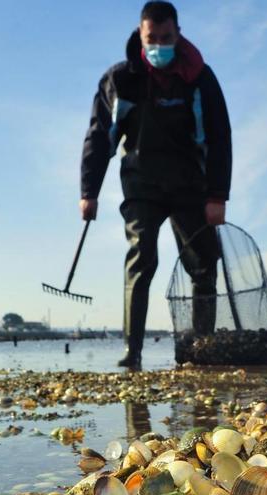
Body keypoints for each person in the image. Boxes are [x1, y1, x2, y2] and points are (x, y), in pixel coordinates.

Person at [80, 1, 232, 368]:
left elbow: (220, 136)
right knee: (141, 259)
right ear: (140, 33)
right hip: (140, 185)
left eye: (166, 38)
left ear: (177, 34)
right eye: (152, 38)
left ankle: (201, 350)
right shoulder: (120, 79)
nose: (159, 45)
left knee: (202, 266)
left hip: (190, 186)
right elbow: (100, 137)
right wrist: (89, 192)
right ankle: (132, 353)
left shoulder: (200, 77)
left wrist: (217, 196)